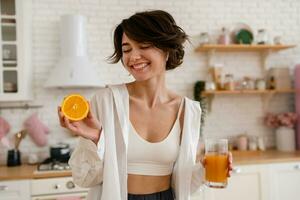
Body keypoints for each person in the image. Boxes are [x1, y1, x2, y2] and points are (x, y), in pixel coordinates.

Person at [58, 10, 232, 200]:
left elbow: (183, 185)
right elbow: (83, 179)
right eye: (127, 49)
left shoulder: (188, 111)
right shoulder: (105, 101)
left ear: (167, 49)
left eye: (143, 46)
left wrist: (204, 170)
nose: (133, 57)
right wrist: (95, 141)